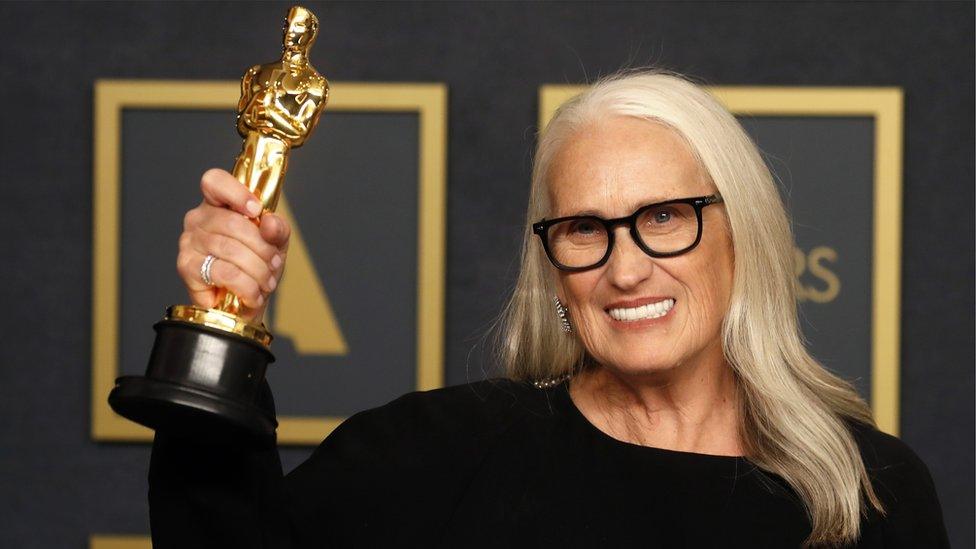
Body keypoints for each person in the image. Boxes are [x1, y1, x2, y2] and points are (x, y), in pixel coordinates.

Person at [153, 71, 949, 548]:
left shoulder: (869, 488)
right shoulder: (438, 454)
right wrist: (221, 322)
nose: (626, 268)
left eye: (664, 216)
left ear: (741, 232)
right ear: (552, 262)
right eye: (583, 229)